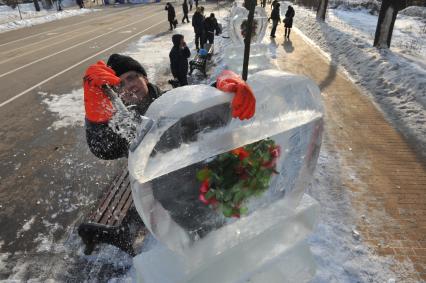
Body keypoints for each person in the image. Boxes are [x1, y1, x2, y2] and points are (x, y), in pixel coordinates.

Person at [83, 55, 256, 160]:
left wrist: (225, 86)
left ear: (145, 78)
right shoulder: (125, 125)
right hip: (156, 193)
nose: (129, 86)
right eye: (120, 85)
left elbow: (198, 102)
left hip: (198, 174)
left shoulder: (170, 99)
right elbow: (104, 149)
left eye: (132, 77)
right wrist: (96, 116)